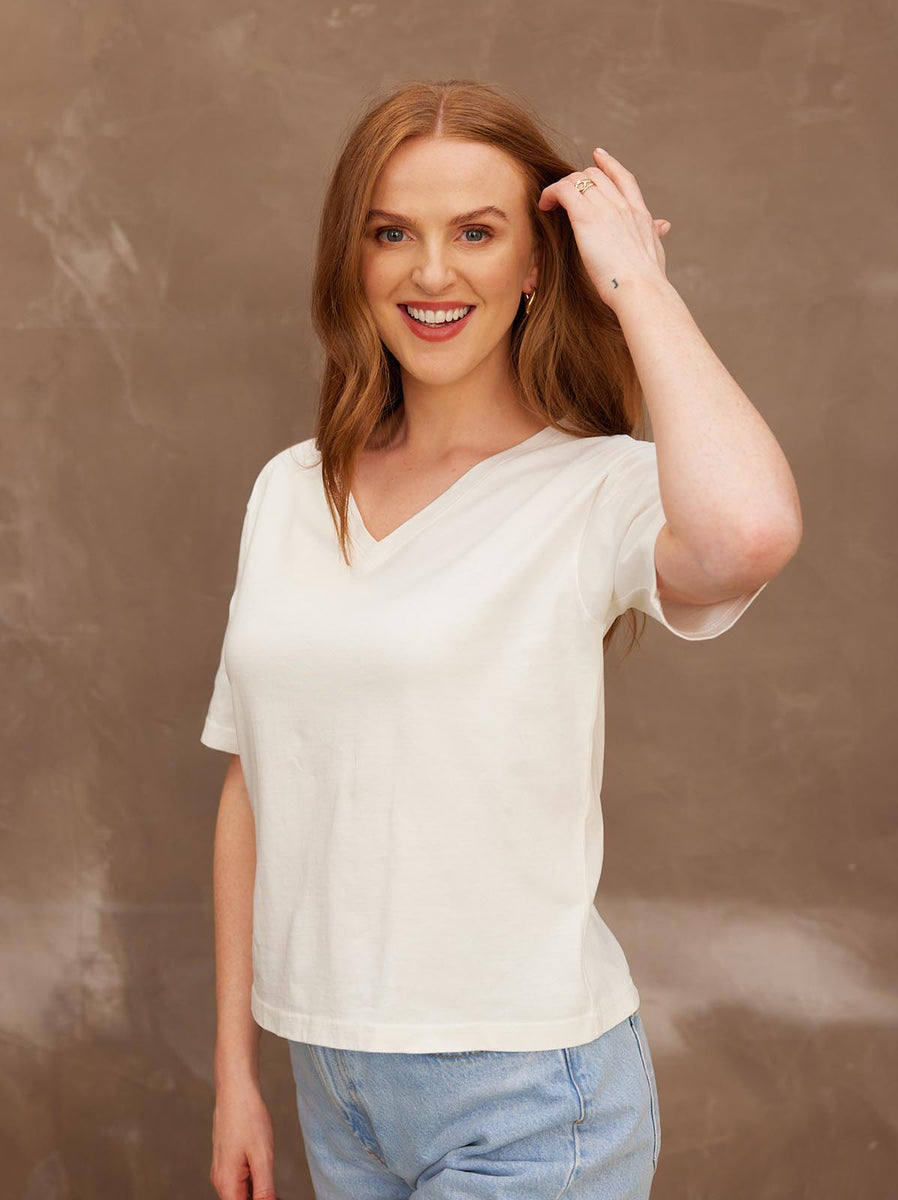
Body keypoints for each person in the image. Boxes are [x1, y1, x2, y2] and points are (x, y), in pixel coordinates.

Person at [203, 79, 802, 1200]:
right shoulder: (291, 491)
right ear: (356, 258)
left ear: (537, 264)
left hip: (527, 1097)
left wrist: (636, 288)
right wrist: (236, 1071)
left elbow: (751, 531)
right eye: (394, 233)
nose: (432, 273)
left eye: (477, 233)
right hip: (339, 1087)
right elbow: (254, 780)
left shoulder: (600, 489)